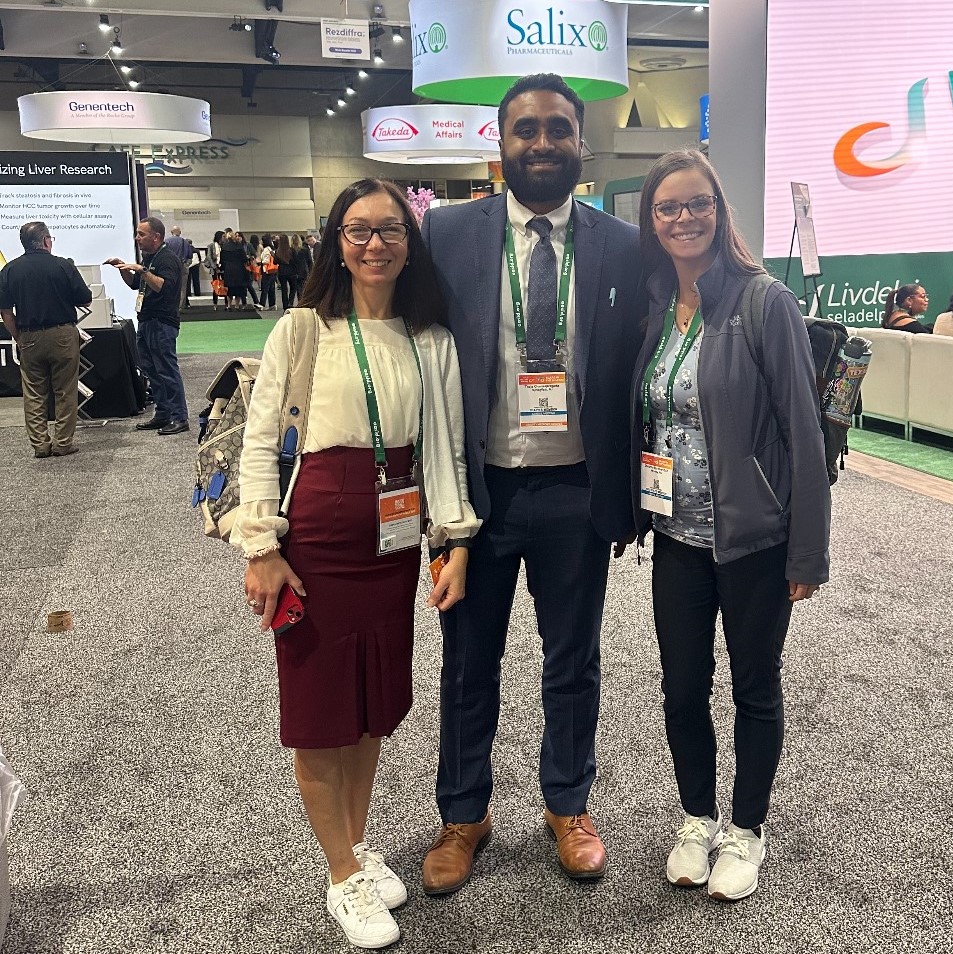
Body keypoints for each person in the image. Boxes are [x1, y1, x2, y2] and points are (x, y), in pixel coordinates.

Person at [232, 177, 480, 948]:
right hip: (314, 539)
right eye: (358, 230)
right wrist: (262, 546)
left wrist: (455, 540)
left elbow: (441, 452)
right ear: (335, 242)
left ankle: (357, 848)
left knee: (371, 705)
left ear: (412, 243)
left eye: (391, 230)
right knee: (317, 714)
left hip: (393, 545)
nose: (376, 244)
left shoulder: (428, 338)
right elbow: (259, 441)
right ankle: (341, 875)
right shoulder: (302, 330)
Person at [418, 73, 643, 894]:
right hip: (479, 495)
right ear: (500, 143)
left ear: (580, 143)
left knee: (572, 660)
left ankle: (567, 802)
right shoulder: (446, 234)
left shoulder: (621, 244)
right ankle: (464, 813)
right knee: (469, 661)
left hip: (578, 490)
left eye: (557, 130)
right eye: (525, 131)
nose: (542, 144)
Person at [630, 149, 830, 902]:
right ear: (651, 222)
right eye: (667, 208)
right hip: (677, 538)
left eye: (697, 204)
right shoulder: (654, 305)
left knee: (754, 687)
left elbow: (804, 435)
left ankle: (747, 830)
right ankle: (697, 817)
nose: (684, 218)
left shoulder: (762, 301)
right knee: (681, 688)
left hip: (754, 538)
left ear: (719, 210)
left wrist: (808, 548)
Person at [0, 221, 92, 458]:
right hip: (62, 334)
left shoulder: (10, 270)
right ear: (46, 241)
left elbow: (6, 311)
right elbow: (85, 300)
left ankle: (40, 445)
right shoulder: (63, 265)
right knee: (65, 390)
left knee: (33, 393)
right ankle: (63, 442)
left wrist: (18, 336)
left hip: (29, 335)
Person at [105, 217, 189, 435]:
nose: (137, 238)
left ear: (156, 237)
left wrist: (142, 270)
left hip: (162, 323)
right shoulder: (150, 258)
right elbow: (135, 285)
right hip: (146, 320)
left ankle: (180, 417)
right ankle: (163, 414)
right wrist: (122, 268)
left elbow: (163, 287)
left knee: (167, 370)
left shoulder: (167, 259)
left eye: (141, 234)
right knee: (151, 370)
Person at [164, 226, 195, 310]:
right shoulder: (185, 242)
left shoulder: (166, 241)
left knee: (169, 286)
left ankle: (170, 306)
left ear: (171, 232)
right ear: (180, 232)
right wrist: (187, 264)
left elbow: (163, 255)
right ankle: (180, 307)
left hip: (170, 267)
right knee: (182, 288)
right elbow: (190, 255)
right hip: (182, 266)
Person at [219, 229, 250, 311]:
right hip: (239, 269)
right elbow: (244, 259)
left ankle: (229, 305)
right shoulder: (239, 246)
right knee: (238, 288)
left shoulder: (224, 247)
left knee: (230, 288)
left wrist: (222, 268)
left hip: (228, 269)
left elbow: (222, 259)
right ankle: (236, 305)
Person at [275, 234, 296, 311]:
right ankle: (291, 303)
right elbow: (295, 261)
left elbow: (275, 262)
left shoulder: (278, 251)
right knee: (293, 288)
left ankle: (285, 305)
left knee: (284, 289)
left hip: (282, 272)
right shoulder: (291, 250)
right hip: (291, 271)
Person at [292, 233, 313, 305]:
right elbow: (310, 261)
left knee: (297, 289)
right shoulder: (305, 250)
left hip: (295, 272)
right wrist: (311, 271)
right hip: (304, 271)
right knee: (304, 288)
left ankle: (300, 302)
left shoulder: (291, 251)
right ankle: (304, 302)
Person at [257, 236, 277, 311]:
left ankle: (262, 303)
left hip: (267, 271)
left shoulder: (266, 250)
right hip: (273, 271)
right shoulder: (272, 249)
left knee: (265, 288)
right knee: (271, 288)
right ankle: (272, 304)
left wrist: (260, 262)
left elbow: (266, 261)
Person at [207, 230, 224, 310]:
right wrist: (214, 266)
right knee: (215, 285)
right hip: (215, 268)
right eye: (223, 236)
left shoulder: (224, 245)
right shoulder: (211, 246)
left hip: (223, 267)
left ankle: (227, 303)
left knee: (224, 285)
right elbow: (209, 257)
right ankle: (215, 303)